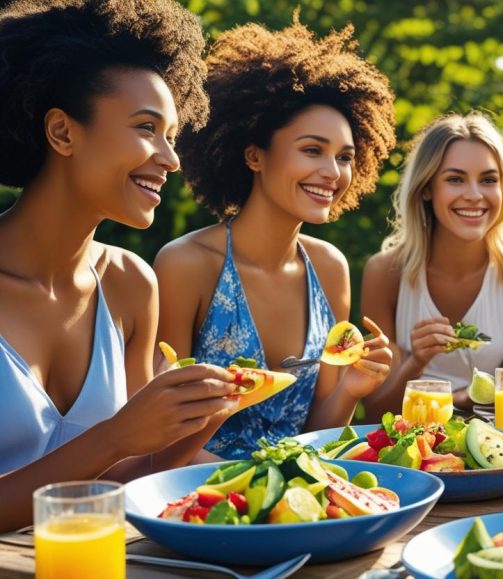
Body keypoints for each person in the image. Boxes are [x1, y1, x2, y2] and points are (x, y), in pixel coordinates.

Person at [0, 0, 240, 530]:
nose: (171, 158)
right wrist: (115, 435)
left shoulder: (131, 284)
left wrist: (195, 424)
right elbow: (114, 444)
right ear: (63, 133)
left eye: (172, 135)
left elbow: (129, 474)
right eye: (146, 128)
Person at [155, 20, 395, 459]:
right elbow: (161, 435)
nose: (333, 172)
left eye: (345, 157)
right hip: (200, 498)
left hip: (298, 496)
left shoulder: (329, 268)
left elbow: (316, 434)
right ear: (254, 155)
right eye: (312, 150)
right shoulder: (186, 264)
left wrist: (351, 389)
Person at [360, 113, 503, 418]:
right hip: (412, 442)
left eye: (489, 180)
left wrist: (457, 399)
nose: (475, 195)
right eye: (455, 179)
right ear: (426, 188)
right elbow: (375, 412)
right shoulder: (384, 272)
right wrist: (416, 362)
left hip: (498, 442)